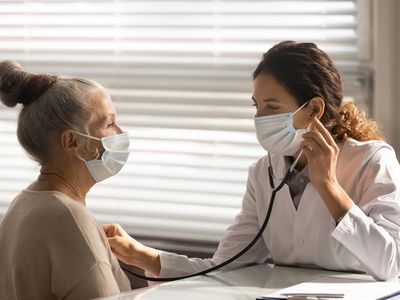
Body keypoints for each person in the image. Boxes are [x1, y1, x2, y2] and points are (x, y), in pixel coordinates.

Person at [102, 41, 400, 281]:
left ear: (314, 110)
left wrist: (328, 186)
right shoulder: (264, 172)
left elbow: (390, 264)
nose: (259, 118)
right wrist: (140, 254)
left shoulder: (372, 161)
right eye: (257, 106)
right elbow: (225, 266)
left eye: (271, 107)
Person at [0, 61, 131, 299]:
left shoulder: (23, 204)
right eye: (109, 123)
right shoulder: (70, 218)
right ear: (73, 142)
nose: (120, 133)